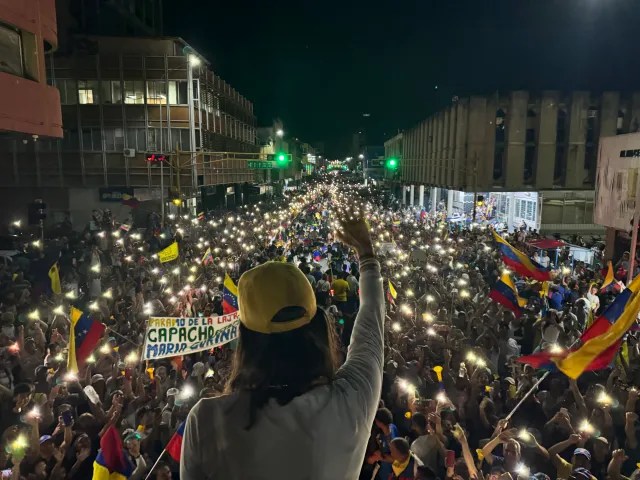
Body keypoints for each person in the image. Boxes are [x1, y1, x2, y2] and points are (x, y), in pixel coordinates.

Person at [181, 216, 384, 479]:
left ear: (246, 341)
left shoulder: (207, 421)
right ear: (319, 329)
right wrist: (367, 256)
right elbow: (371, 326)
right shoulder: (351, 401)